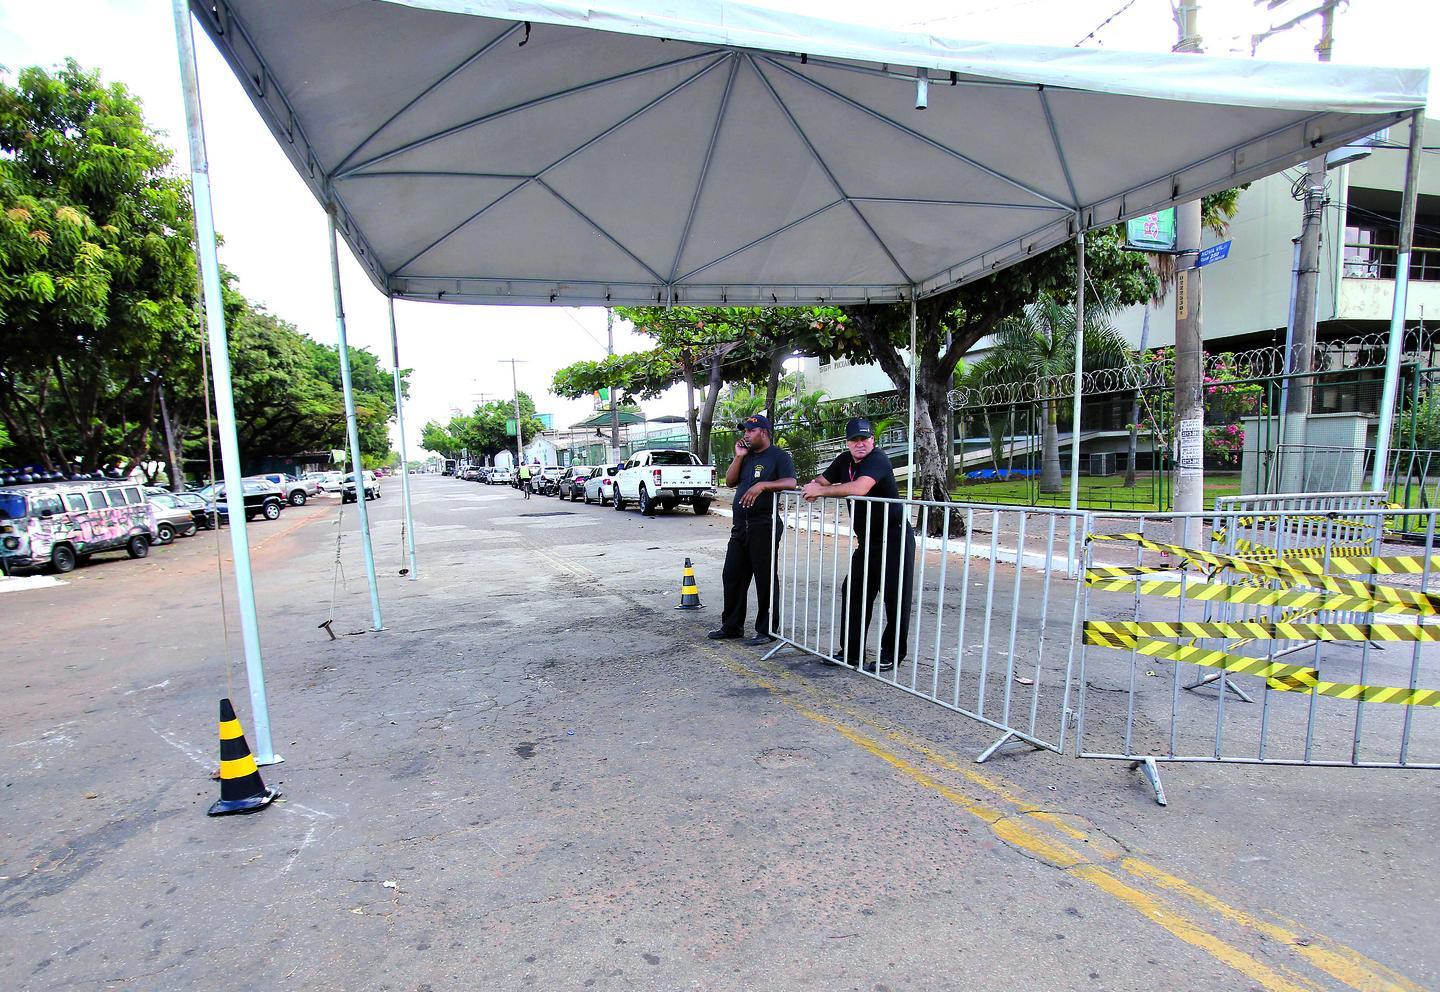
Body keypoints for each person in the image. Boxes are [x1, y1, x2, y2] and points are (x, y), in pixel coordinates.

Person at [800, 417, 916, 671]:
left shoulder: (878, 459)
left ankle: (892, 655)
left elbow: (861, 488)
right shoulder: (844, 460)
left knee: (895, 597)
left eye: (864, 439)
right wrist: (812, 487)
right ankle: (851, 653)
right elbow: (822, 481)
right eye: (855, 440)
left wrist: (821, 492)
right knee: (854, 591)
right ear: (848, 443)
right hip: (868, 541)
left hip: (894, 538)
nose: (860, 444)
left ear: (873, 440)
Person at [708, 414, 796, 647]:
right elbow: (729, 482)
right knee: (732, 575)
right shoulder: (745, 456)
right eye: (744, 431)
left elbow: (790, 482)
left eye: (750, 431)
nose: (745, 434)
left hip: (763, 524)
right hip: (741, 526)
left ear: (764, 432)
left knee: (765, 578)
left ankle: (767, 630)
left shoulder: (779, 456)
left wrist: (763, 485)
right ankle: (732, 626)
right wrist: (738, 457)